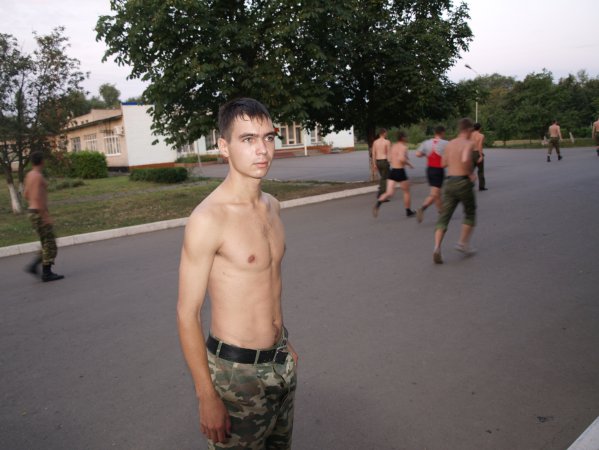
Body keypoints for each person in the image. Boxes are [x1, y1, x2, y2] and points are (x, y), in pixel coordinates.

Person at [177, 98, 298, 449]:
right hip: (236, 377)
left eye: (269, 137)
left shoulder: (272, 206)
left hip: (280, 364)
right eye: (248, 139)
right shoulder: (208, 219)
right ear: (224, 146)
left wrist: (284, 344)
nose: (262, 150)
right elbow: (186, 314)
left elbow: (268, 285)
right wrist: (206, 395)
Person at [433, 118, 477, 264]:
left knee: (444, 216)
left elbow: (443, 163)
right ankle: (462, 243)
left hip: (449, 182)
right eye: (472, 131)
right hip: (463, 182)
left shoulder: (450, 144)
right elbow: (465, 160)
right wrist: (471, 173)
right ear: (468, 130)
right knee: (470, 212)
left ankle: (437, 247)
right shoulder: (468, 143)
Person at [23, 151, 64, 282]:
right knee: (50, 243)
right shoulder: (38, 176)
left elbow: (26, 194)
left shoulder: (29, 175)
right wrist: (44, 215)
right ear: (42, 161)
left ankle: (33, 266)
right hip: (38, 213)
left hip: (32, 212)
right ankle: (46, 273)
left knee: (45, 242)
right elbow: (36, 197)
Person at [372, 131, 416, 218]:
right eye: (406, 137)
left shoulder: (393, 146)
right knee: (406, 192)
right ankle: (408, 211)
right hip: (401, 171)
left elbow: (390, 158)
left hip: (393, 171)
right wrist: (409, 164)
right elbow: (401, 158)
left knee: (389, 193)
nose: (407, 138)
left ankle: (377, 205)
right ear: (403, 138)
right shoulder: (403, 147)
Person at [415, 125, 449, 223]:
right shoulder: (445, 143)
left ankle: (442, 212)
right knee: (435, 193)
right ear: (442, 132)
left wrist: (426, 154)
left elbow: (417, 154)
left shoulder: (426, 142)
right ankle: (423, 208)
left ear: (435, 133)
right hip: (438, 170)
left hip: (429, 169)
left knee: (436, 193)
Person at [371, 128, 391, 197]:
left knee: (384, 177)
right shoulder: (387, 142)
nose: (386, 134)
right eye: (386, 133)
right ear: (384, 133)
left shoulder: (375, 142)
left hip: (378, 162)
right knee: (384, 178)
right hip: (384, 161)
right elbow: (388, 153)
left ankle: (382, 190)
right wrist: (389, 162)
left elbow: (373, 154)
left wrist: (374, 164)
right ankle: (381, 193)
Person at [471, 123, 487, 191]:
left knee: (470, 170)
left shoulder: (470, 135)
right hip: (477, 153)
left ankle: (468, 185)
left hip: (471, 153)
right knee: (480, 171)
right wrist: (481, 155)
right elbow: (480, 145)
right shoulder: (481, 135)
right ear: (480, 128)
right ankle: (481, 186)